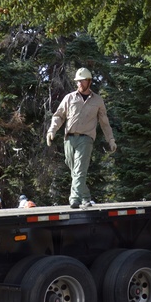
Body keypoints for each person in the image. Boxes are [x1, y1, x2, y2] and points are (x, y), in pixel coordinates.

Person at [46, 67, 117, 209]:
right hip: (69, 139)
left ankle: (75, 199)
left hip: (86, 139)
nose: (79, 83)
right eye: (77, 81)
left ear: (89, 81)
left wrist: (111, 139)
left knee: (79, 171)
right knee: (74, 170)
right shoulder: (69, 98)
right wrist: (51, 130)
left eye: (82, 80)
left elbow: (104, 122)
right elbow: (59, 116)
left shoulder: (97, 100)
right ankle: (86, 197)